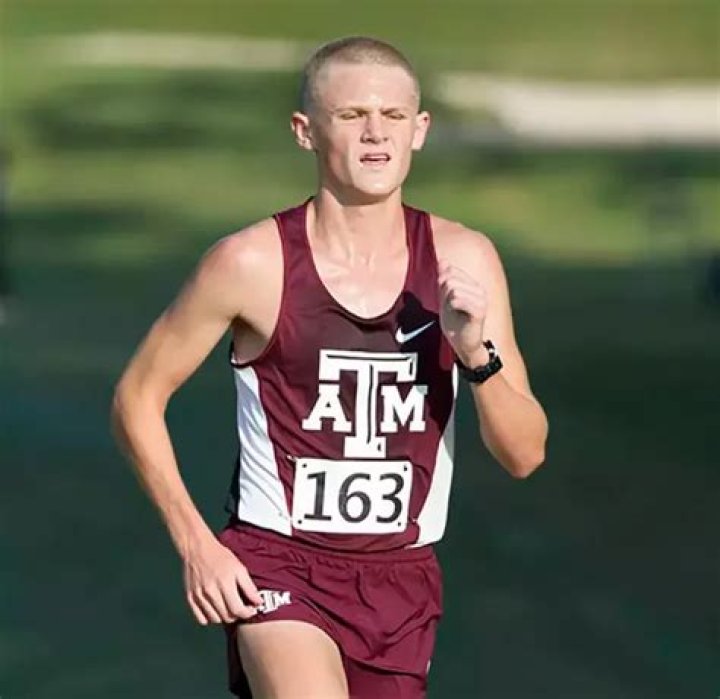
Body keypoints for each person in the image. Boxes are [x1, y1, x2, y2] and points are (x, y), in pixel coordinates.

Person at [112, 36, 548, 699]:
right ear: (305, 131)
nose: (376, 133)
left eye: (393, 116)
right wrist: (197, 544)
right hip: (276, 563)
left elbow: (525, 454)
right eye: (351, 115)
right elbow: (137, 397)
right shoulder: (250, 263)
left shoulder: (465, 260)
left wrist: (474, 357)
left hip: (401, 579)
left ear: (419, 129)